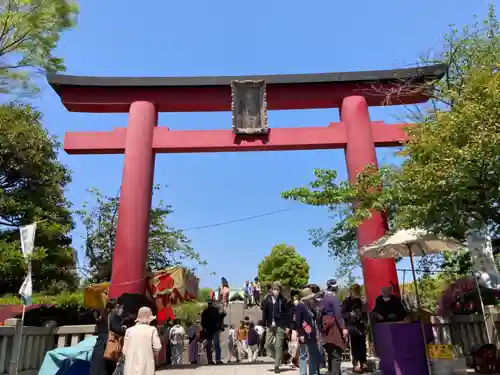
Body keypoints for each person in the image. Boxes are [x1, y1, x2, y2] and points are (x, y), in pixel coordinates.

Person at [319, 279, 348, 375]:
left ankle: (331, 372)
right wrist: (343, 328)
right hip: (334, 329)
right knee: (336, 355)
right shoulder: (334, 299)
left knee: (331, 354)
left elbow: (319, 317)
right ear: (335, 288)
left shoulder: (323, 300)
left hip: (326, 330)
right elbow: (338, 316)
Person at [89, 301, 127, 375]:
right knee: (105, 369)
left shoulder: (104, 315)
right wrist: (125, 328)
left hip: (100, 346)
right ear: (116, 306)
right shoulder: (114, 316)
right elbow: (117, 329)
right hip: (107, 347)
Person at [122, 306, 162, 375]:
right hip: (146, 366)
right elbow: (157, 347)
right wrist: (152, 355)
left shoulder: (129, 331)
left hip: (130, 368)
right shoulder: (152, 330)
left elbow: (124, 350)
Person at [262, 281, 291, 373]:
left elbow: (288, 314)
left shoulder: (283, 300)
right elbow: (264, 313)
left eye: (277, 289)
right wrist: (263, 324)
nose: (276, 291)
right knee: (268, 344)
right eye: (274, 289)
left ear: (280, 290)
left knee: (279, 345)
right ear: (271, 290)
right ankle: (278, 357)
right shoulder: (267, 300)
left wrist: (287, 326)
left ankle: (277, 365)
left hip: (280, 325)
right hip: (270, 325)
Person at [342, 284, 368, 373]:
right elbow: (342, 313)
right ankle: (355, 364)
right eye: (354, 289)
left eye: (357, 289)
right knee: (354, 344)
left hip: (361, 324)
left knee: (362, 344)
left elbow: (365, 312)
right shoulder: (347, 301)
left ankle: (363, 362)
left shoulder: (361, 299)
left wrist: (364, 304)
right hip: (352, 325)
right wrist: (350, 314)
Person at [295, 288, 321, 375]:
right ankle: (303, 373)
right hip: (305, 333)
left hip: (310, 333)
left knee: (312, 353)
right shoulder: (300, 306)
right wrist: (301, 334)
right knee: (303, 354)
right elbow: (298, 322)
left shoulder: (308, 306)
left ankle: (313, 372)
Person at [201, 299, 224, 364]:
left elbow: (202, 322)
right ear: (213, 304)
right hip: (215, 330)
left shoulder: (205, 311)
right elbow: (220, 319)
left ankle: (210, 360)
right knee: (217, 345)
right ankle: (218, 360)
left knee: (209, 346)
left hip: (208, 331)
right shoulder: (216, 310)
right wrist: (220, 327)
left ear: (208, 304)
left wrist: (204, 329)